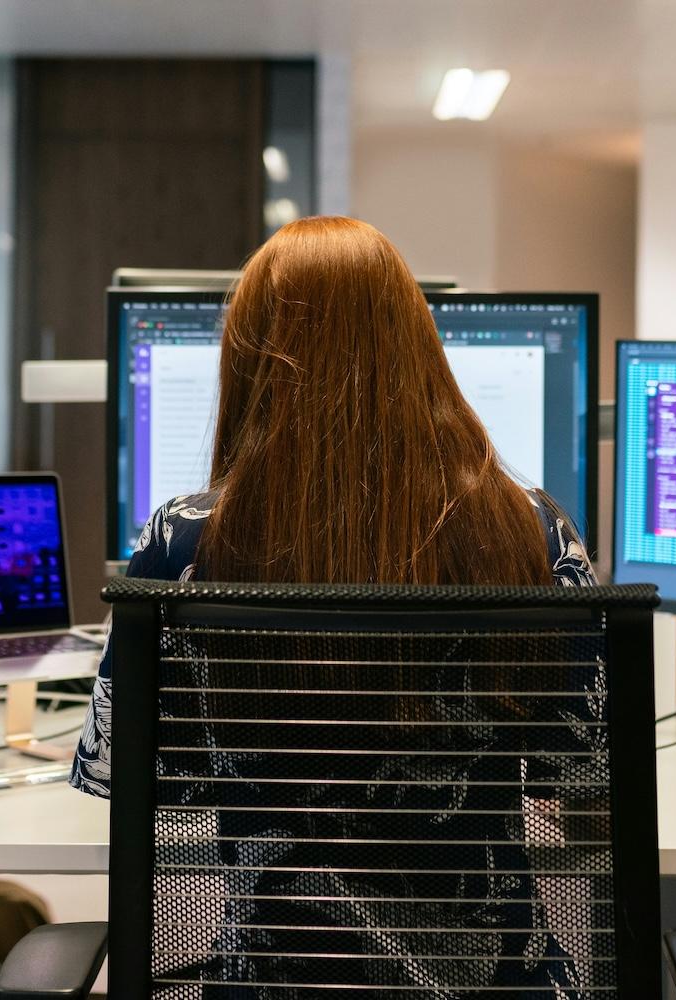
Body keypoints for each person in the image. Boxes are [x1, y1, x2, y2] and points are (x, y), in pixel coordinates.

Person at [70, 216, 595, 798]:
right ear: (420, 347)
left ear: (249, 364)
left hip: (273, 890)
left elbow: (113, 767)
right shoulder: (534, 528)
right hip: (476, 887)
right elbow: (586, 774)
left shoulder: (182, 537)